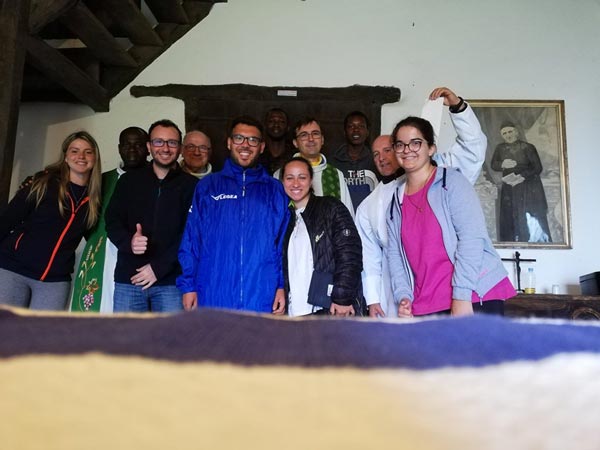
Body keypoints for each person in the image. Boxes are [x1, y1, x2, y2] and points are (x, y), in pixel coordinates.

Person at [356, 87, 488, 318]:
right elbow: (373, 254)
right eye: (376, 154)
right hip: (405, 292)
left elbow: (473, 150)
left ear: (428, 149)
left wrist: (458, 108)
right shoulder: (372, 204)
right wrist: (374, 297)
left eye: (388, 149)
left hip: (464, 289)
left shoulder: (445, 176)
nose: (383, 157)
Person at [386, 116, 516, 317]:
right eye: (400, 145)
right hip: (427, 302)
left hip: (473, 295)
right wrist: (404, 296)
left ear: (431, 148)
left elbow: (472, 239)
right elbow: (395, 255)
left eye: (415, 142)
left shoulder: (453, 183)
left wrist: (462, 297)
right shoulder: (395, 202)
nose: (407, 149)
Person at [177, 116, 290, 313]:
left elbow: (281, 243)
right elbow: (191, 239)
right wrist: (188, 286)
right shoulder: (208, 186)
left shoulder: (274, 189)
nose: (245, 145)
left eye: (253, 140)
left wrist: (280, 285)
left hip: (261, 292)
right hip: (213, 290)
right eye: (239, 138)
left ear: (261, 147)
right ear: (229, 143)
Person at [0, 131, 102, 310]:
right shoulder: (42, 184)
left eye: (88, 152)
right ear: (66, 157)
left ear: (95, 158)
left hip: (55, 280)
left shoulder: (95, 199)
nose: (81, 156)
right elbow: (6, 221)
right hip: (13, 269)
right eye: (74, 151)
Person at [105, 119, 197, 313]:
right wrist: (129, 242)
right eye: (158, 142)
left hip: (171, 282)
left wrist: (159, 268)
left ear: (180, 148)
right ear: (149, 146)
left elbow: (191, 234)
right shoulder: (128, 181)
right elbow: (112, 221)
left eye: (172, 142)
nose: (165, 148)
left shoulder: (192, 186)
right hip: (129, 280)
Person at [71, 126, 149, 313]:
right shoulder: (101, 180)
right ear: (119, 148)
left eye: (138, 144)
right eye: (127, 144)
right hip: (102, 252)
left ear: (147, 148)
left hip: (139, 253)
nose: (132, 149)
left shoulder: (156, 178)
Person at [281, 157, 362, 317]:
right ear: (282, 181)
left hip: (328, 309)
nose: (296, 184)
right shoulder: (285, 219)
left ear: (311, 180)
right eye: (289, 178)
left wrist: (342, 297)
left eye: (302, 177)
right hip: (295, 311)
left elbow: (349, 253)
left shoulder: (330, 208)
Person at [273, 117, 354, 217]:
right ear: (295, 143)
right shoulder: (280, 174)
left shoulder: (336, 174)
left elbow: (347, 216)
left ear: (322, 140)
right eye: (304, 135)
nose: (311, 139)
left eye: (315, 134)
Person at [491, 122, 551, 243]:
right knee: (510, 216)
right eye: (504, 133)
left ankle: (531, 242)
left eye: (510, 132)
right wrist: (502, 164)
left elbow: (537, 168)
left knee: (526, 215)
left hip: (528, 187)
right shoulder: (500, 148)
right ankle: (510, 243)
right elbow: (493, 165)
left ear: (516, 132)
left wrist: (522, 176)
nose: (508, 135)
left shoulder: (528, 147)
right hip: (510, 188)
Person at [331, 111, 379, 210]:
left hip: (369, 217)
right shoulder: (333, 162)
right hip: (341, 217)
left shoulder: (376, 160)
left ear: (367, 132)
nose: (356, 130)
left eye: (361, 126)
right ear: (345, 132)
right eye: (351, 126)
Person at [258, 108, 295, 175]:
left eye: (281, 122)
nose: (276, 125)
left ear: (288, 127)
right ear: (265, 126)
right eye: (271, 121)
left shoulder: (294, 155)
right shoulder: (257, 153)